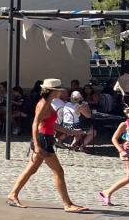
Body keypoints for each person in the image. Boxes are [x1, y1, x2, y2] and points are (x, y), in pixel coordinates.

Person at [7, 79, 88, 212]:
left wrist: (71, 131)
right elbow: (35, 123)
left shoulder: (48, 104)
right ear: (54, 91)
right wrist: (37, 145)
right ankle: (67, 204)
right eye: (60, 90)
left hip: (45, 138)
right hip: (43, 140)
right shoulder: (44, 104)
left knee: (31, 169)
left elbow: (51, 124)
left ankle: (13, 194)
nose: (62, 92)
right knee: (58, 171)